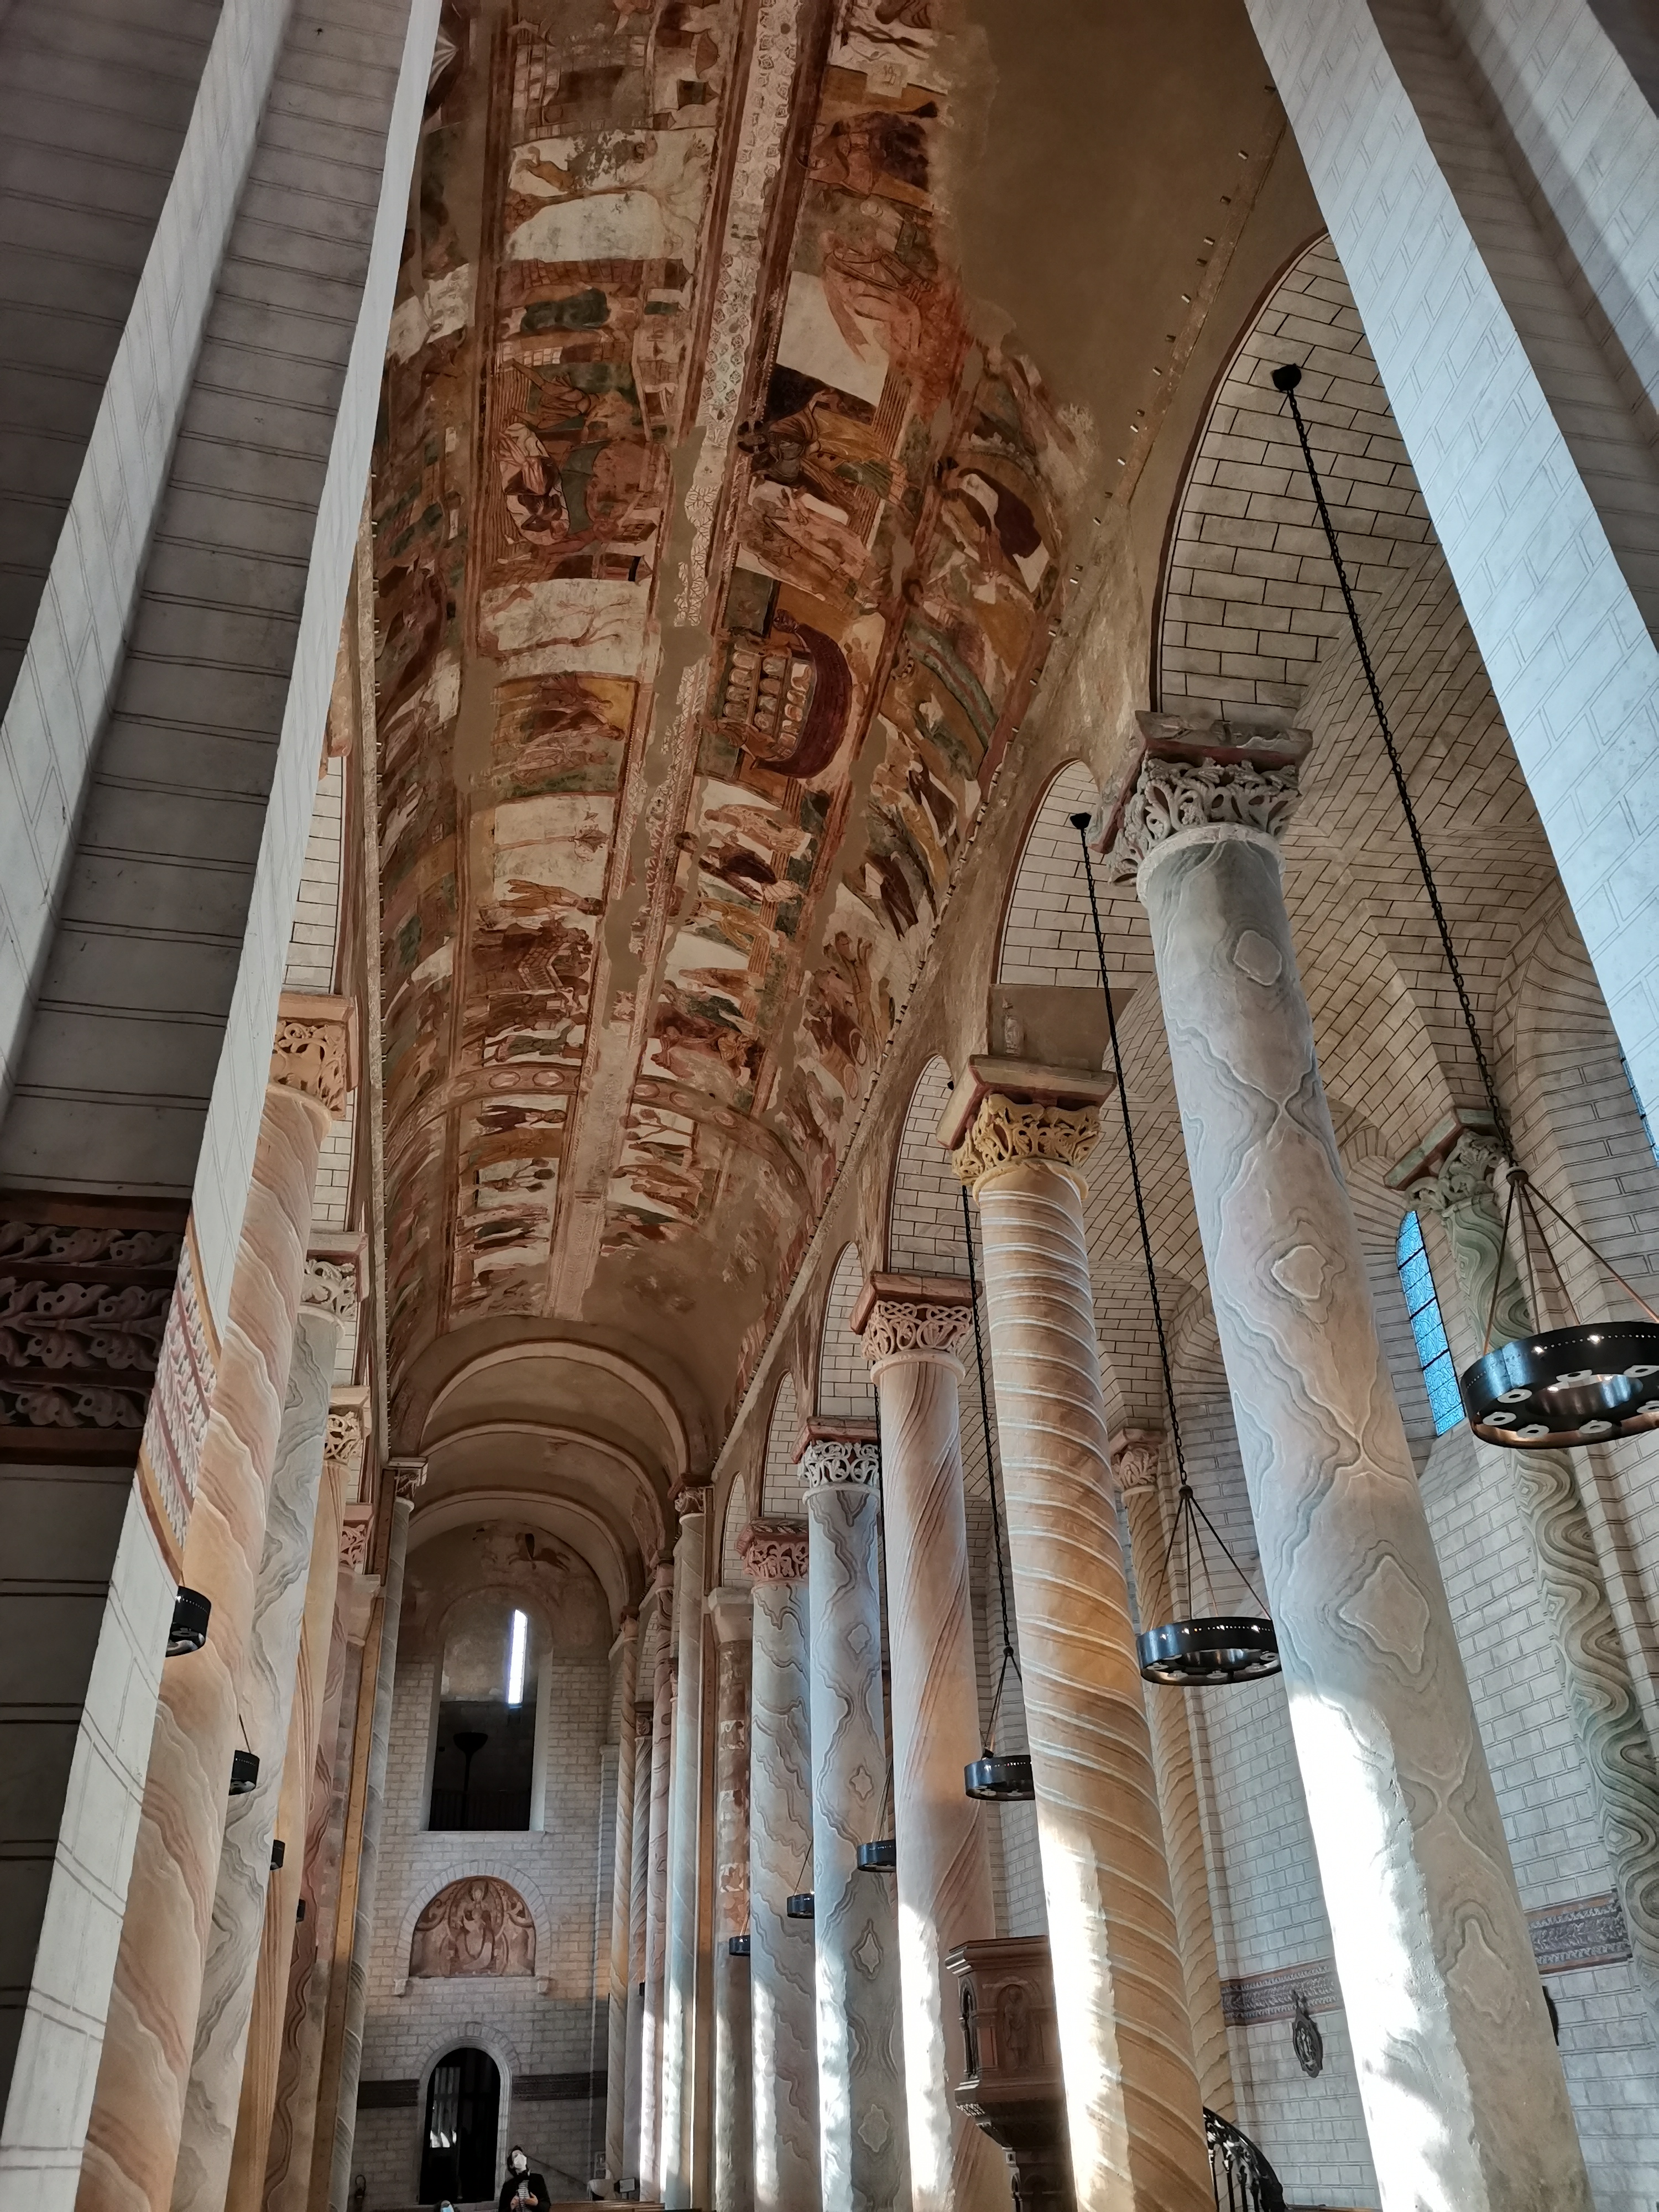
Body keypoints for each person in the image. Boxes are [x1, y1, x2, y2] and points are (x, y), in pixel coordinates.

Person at [498, 2145, 552, 2211]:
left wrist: (537, 2204)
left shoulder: (537, 2179)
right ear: (512, 2165)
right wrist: (511, 2207)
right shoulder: (508, 2186)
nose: (520, 2157)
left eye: (521, 2155)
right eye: (516, 2156)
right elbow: (501, 2210)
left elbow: (547, 2205)